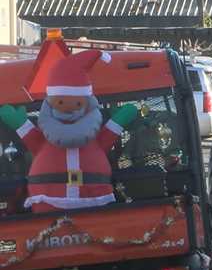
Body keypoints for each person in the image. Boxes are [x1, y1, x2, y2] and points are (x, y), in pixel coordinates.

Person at [0, 50, 137, 213]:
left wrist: (119, 120)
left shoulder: (91, 136)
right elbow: (34, 141)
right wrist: (20, 122)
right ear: (51, 102)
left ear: (86, 103)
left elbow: (106, 138)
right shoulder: (47, 136)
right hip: (48, 203)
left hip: (94, 202)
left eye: (78, 103)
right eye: (60, 102)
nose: (68, 109)